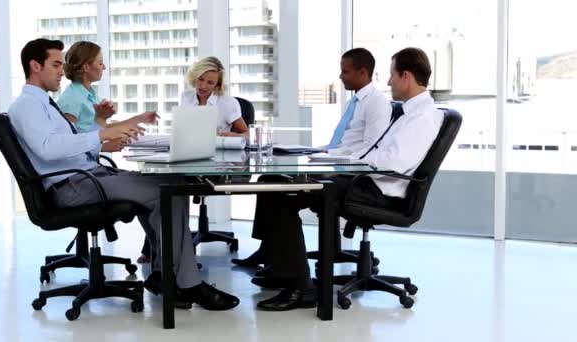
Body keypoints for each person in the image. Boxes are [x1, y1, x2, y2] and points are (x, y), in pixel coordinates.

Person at [8, 38, 239, 311]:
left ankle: (163, 276)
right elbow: (47, 149)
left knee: (170, 184)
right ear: (35, 66)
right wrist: (101, 134)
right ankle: (187, 283)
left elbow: (67, 146)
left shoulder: (44, 104)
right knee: (168, 191)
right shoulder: (27, 106)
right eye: (56, 64)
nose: (62, 70)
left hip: (85, 176)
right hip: (72, 186)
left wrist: (102, 139)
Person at [252, 47, 444, 311]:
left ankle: (300, 287)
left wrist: (350, 163)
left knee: (282, 198)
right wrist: (336, 158)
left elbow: (393, 162)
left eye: (392, 75)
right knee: (277, 188)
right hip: (369, 182)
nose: (388, 82)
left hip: (377, 190)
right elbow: (376, 151)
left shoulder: (422, 117)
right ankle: (286, 272)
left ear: (406, 76)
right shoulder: (409, 112)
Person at [231, 47, 392, 269]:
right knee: (267, 179)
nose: (340, 76)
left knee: (279, 193)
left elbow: (368, 150)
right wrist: (315, 149)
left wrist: (327, 155)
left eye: (345, 72)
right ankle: (267, 250)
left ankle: (288, 270)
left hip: (349, 174)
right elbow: (345, 143)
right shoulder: (355, 101)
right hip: (335, 159)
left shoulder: (376, 103)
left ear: (363, 73)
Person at [137, 56, 250, 262]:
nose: (203, 86)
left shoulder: (227, 103)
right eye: (201, 79)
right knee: (161, 185)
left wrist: (224, 135)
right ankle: (155, 248)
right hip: (189, 155)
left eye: (210, 82)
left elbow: (245, 134)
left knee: (175, 185)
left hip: (217, 163)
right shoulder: (186, 97)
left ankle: (176, 249)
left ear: (217, 85)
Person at [58, 41, 158, 153]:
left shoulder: (89, 95)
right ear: (86, 67)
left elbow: (102, 127)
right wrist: (103, 147)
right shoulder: (72, 99)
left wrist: (140, 118)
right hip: (82, 168)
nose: (104, 67)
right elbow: (67, 144)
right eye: (100, 63)